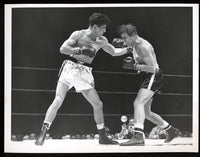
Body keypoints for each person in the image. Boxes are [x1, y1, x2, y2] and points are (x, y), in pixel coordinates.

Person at [35, 13, 131, 145]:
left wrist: (128, 49)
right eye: (103, 28)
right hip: (71, 68)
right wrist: (80, 51)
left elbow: (114, 52)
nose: (105, 31)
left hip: (83, 71)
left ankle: (42, 134)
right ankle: (102, 135)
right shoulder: (79, 34)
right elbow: (63, 49)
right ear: (95, 27)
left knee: (67, 101)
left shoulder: (102, 40)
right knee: (90, 104)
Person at [118, 24, 180, 146]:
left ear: (133, 35)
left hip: (153, 75)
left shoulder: (143, 46)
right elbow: (125, 48)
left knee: (138, 103)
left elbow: (153, 69)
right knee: (146, 112)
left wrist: (135, 66)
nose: (124, 40)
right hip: (145, 76)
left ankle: (138, 136)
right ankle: (171, 130)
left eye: (125, 38)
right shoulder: (134, 44)